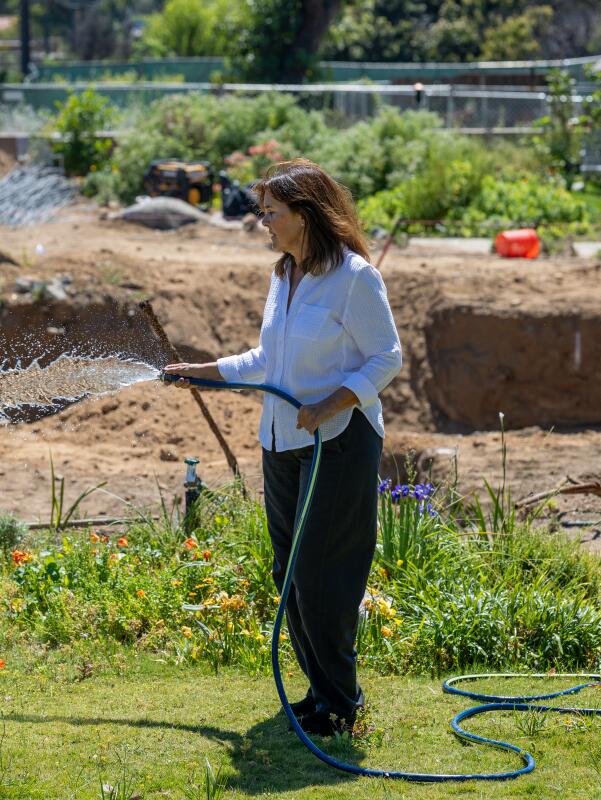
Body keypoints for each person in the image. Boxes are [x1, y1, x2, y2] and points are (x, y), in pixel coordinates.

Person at [163, 159, 402, 737]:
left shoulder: (354, 277)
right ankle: (320, 694)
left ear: (305, 214)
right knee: (289, 571)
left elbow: (386, 357)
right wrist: (204, 371)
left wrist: (332, 403)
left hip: (338, 443)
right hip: (281, 440)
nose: (263, 222)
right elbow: (266, 360)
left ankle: (342, 704)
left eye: (272, 212)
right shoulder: (282, 275)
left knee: (323, 574)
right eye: (263, 212)